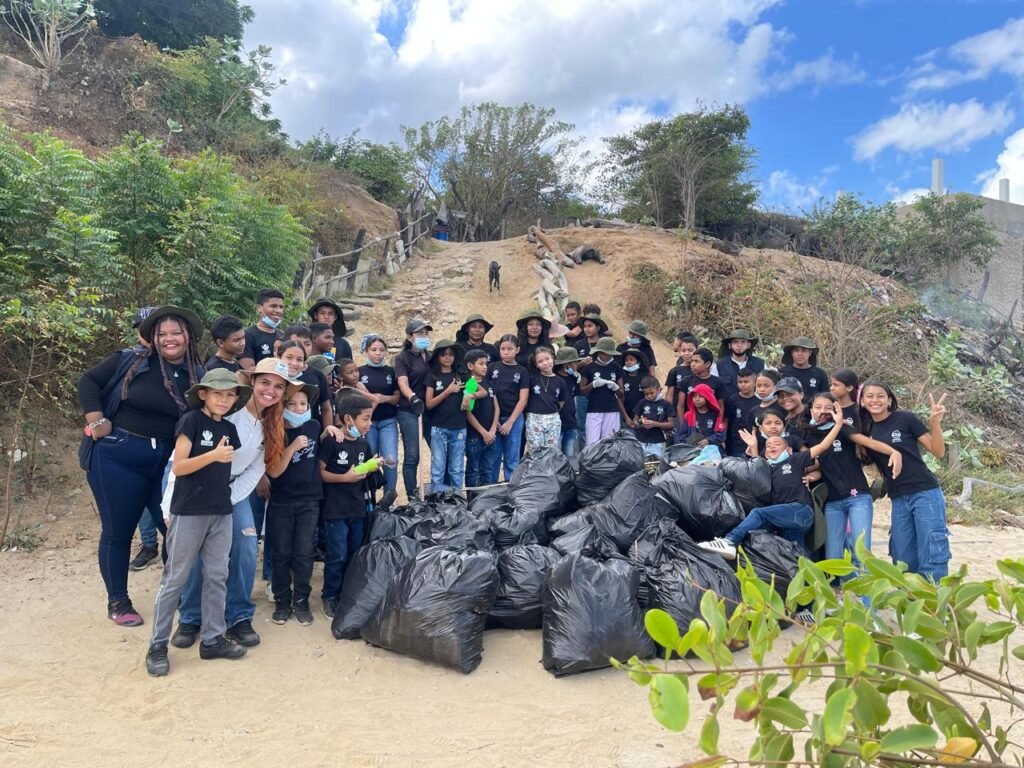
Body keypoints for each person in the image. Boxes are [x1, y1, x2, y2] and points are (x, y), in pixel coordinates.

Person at [78, 305, 204, 627]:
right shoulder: (133, 360)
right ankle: (118, 601)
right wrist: (97, 421)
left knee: (173, 532)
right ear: (153, 337)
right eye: (162, 334)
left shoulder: (198, 374)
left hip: (169, 464)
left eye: (176, 332)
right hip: (119, 457)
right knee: (118, 532)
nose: (170, 339)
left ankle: (173, 595)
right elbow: (89, 381)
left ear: (188, 336)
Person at [171, 357, 297, 651]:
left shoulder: (274, 422)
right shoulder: (227, 413)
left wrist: (229, 498)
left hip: (234, 491)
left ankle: (238, 616)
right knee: (196, 552)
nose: (271, 390)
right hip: (198, 487)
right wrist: (169, 505)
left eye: (279, 386)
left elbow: (257, 467)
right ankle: (191, 617)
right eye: (265, 382)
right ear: (252, 382)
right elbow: (179, 462)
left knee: (245, 546)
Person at [145, 369, 250, 676]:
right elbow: (179, 465)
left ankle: (213, 638)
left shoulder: (229, 427)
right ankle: (157, 646)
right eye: (218, 393)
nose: (225, 399)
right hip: (189, 511)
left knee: (217, 575)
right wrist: (214, 455)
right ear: (203, 394)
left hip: (221, 510)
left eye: (231, 394)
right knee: (175, 578)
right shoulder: (191, 421)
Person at [698, 402, 847, 560]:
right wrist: (754, 446)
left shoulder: (795, 460)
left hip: (800, 511)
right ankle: (805, 580)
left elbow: (823, 447)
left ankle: (730, 541)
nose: (772, 446)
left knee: (758, 514)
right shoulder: (768, 468)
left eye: (777, 444)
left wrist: (837, 425)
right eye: (768, 446)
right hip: (787, 518)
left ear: (788, 450)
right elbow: (755, 473)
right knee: (795, 555)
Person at [859, 380, 950, 581]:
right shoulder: (865, 429)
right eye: (870, 396)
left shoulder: (905, 419)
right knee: (902, 557)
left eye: (880, 396)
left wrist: (935, 423)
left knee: (932, 552)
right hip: (898, 497)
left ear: (889, 399)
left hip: (924, 492)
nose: (875, 400)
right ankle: (911, 603)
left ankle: (934, 606)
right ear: (862, 401)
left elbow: (938, 451)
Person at [806, 392, 903, 578]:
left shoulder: (843, 428)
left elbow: (866, 442)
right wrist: (810, 475)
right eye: (818, 407)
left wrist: (893, 451)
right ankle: (842, 597)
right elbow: (817, 462)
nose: (823, 411)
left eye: (828, 407)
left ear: (837, 410)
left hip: (857, 497)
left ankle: (868, 604)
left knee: (861, 552)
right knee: (833, 557)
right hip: (833, 502)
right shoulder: (809, 435)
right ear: (811, 410)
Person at [319, 393, 383, 618]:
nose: (369, 424)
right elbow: (321, 473)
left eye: (370, 418)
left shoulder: (364, 443)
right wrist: (343, 478)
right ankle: (330, 595)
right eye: (365, 419)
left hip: (358, 508)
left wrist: (374, 466)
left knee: (355, 552)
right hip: (335, 510)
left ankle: (349, 593)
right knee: (337, 554)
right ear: (348, 419)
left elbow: (362, 469)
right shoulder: (332, 442)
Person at [267, 384, 322, 627]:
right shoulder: (274, 431)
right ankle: (282, 600)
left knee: (304, 552)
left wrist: (332, 427)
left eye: (303, 404)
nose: (299, 409)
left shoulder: (314, 426)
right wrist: (292, 447)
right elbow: (274, 471)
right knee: (281, 553)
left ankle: (301, 600)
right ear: (283, 407)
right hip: (281, 501)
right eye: (293, 404)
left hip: (309, 500)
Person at [394, 319, 432, 499]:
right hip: (410, 410)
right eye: (419, 334)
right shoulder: (402, 358)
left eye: (426, 334)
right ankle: (412, 496)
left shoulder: (431, 356)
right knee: (413, 455)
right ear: (410, 337)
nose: (424, 337)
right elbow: (403, 382)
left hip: (432, 409)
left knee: (439, 453)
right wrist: (413, 397)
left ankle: (439, 492)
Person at [359, 334, 400, 493]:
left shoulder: (391, 372)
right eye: (374, 349)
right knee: (371, 461)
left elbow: (397, 397)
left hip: (388, 422)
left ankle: (389, 499)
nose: (378, 353)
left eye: (382, 350)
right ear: (366, 351)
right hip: (367, 424)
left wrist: (384, 399)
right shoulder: (359, 372)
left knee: (391, 460)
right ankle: (371, 498)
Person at [425, 340, 467, 491]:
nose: (448, 358)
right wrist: (447, 391)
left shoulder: (461, 375)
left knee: (456, 469)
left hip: (459, 427)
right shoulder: (432, 376)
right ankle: (437, 502)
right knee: (438, 469)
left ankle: (457, 502)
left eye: (451, 355)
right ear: (437, 357)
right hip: (439, 427)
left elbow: (479, 389)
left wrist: (471, 395)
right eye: (444, 355)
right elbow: (429, 404)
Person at [488, 334, 530, 481]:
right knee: (493, 456)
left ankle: (510, 488)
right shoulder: (492, 367)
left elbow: (523, 399)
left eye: (510, 349)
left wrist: (510, 421)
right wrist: (494, 420)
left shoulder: (522, 371)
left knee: (512, 456)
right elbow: (487, 392)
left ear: (517, 349)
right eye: (503, 349)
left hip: (514, 419)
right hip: (494, 419)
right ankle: (491, 489)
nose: (506, 352)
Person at [463, 350, 500, 487]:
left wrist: (492, 430)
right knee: (473, 469)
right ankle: (473, 500)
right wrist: (483, 432)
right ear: (470, 366)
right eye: (481, 364)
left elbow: (496, 407)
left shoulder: (489, 384)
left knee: (488, 468)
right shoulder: (469, 385)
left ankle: (487, 499)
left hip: (491, 435)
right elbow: (467, 412)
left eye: (486, 363)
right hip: (475, 436)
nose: (485, 367)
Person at [580, 337, 626, 444]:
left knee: (610, 442)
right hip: (594, 409)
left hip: (612, 409)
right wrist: (592, 384)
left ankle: (608, 461)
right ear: (598, 352)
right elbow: (581, 391)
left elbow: (622, 394)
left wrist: (615, 387)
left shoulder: (616, 367)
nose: (606, 357)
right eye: (604, 354)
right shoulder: (589, 367)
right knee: (592, 442)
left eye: (609, 354)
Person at [278, 338, 333, 429]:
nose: (294, 363)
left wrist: (327, 433)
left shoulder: (316, 376)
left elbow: (326, 408)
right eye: (289, 357)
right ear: (279, 357)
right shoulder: (272, 380)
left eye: (299, 359)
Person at [524, 346, 566, 451]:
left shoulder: (560, 381)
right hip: (534, 418)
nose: (545, 363)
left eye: (547, 359)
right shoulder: (532, 380)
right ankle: (535, 468)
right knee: (535, 450)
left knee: (551, 450)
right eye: (540, 361)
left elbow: (561, 401)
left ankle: (550, 468)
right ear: (536, 365)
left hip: (553, 418)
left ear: (553, 359)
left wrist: (551, 410)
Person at [672, 349, 727, 426]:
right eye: (692, 361)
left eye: (697, 361)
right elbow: (680, 406)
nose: (693, 364)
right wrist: (683, 427)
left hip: (710, 425)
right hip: (690, 425)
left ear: (707, 364)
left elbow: (721, 406)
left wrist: (718, 425)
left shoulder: (718, 382)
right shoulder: (686, 381)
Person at [239, 288, 284, 369]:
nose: (278, 311)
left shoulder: (283, 336)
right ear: (259, 308)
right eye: (273, 306)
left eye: (281, 307)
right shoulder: (247, 336)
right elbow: (247, 370)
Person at [715, 329, 765, 399]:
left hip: (754, 407)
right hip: (728, 408)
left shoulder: (760, 364)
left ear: (748, 345)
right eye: (735, 342)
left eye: (743, 342)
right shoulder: (719, 365)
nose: (739, 345)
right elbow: (713, 389)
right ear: (730, 345)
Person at [675, 382, 726, 448]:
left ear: (708, 397)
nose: (697, 399)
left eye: (701, 396)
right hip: (693, 451)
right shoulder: (688, 416)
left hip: (712, 451)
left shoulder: (716, 415)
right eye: (694, 396)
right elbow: (682, 436)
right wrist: (692, 442)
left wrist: (708, 440)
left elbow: (721, 435)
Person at [633, 377, 674, 458]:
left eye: (652, 393)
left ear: (659, 389)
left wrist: (655, 424)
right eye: (646, 394)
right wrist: (640, 422)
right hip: (641, 439)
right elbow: (635, 420)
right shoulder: (642, 403)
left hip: (658, 441)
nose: (649, 396)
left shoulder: (666, 404)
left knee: (656, 464)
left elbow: (671, 424)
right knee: (642, 463)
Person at [554, 346, 582, 458]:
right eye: (575, 362)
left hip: (571, 422)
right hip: (558, 423)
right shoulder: (555, 378)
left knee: (569, 456)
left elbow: (576, 394)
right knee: (556, 456)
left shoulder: (573, 378)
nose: (577, 365)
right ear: (567, 364)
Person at [724, 369, 760, 457]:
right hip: (735, 445)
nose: (743, 385)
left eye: (746, 382)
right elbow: (726, 420)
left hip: (754, 444)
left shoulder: (759, 401)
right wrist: (723, 438)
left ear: (755, 383)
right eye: (740, 382)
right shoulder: (732, 400)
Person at [620, 348, 649, 427]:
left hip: (643, 417)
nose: (628, 362)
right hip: (626, 417)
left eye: (631, 360)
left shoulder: (645, 378)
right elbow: (620, 399)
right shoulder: (622, 379)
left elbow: (650, 398)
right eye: (626, 360)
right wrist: (626, 418)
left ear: (638, 362)